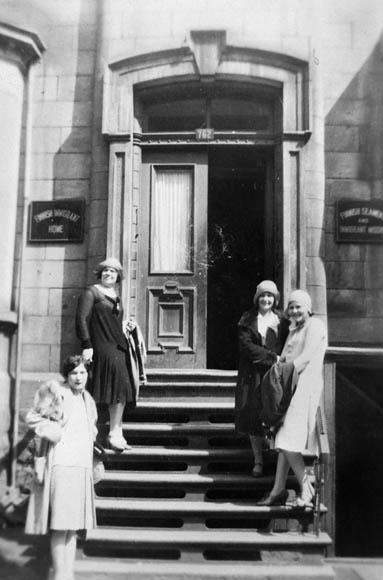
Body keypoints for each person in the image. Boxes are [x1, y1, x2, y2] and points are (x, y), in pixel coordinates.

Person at [25, 355, 98, 580]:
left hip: (81, 466)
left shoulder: (88, 400)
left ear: (88, 374)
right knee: (60, 525)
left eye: (82, 372)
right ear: (66, 375)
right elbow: (31, 417)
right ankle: (59, 575)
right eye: (74, 373)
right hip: (62, 464)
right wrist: (53, 432)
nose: (78, 377)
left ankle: (68, 574)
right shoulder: (57, 394)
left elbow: (90, 429)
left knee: (73, 526)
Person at [257, 289, 327, 507]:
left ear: (308, 308)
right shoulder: (294, 328)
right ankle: (278, 490)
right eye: (292, 307)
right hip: (290, 386)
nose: (295, 311)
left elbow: (305, 358)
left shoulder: (315, 326)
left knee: (286, 439)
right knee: (284, 437)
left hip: (304, 386)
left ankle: (306, 488)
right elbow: (286, 356)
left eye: (299, 307)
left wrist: (279, 373)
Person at [75, 257, 141, 451]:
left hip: (118, 345)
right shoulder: (92, 293)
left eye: (113, 271)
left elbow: (115, 321)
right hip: (101, 346)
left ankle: (116, 432)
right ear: (100, 274)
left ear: (118, 276)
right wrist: (87, 344)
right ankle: (96, 433)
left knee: (120, 387)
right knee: (102, 387)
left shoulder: (116, 295)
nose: (108, 274)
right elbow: (81, 319)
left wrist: (127, 325)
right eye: (105, 271)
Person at [235, 280, 288, 477]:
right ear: (257, 299)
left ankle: (277, 458)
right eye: (263, 296)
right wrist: (272, 357)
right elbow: (246, 346)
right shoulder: (247, 319)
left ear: (275, 299)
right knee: (253, 414)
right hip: (254, 374)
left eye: (270, 296)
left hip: (278, 374)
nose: (266, 299)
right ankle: (258, 460)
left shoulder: (283, 320)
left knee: (276, 412)